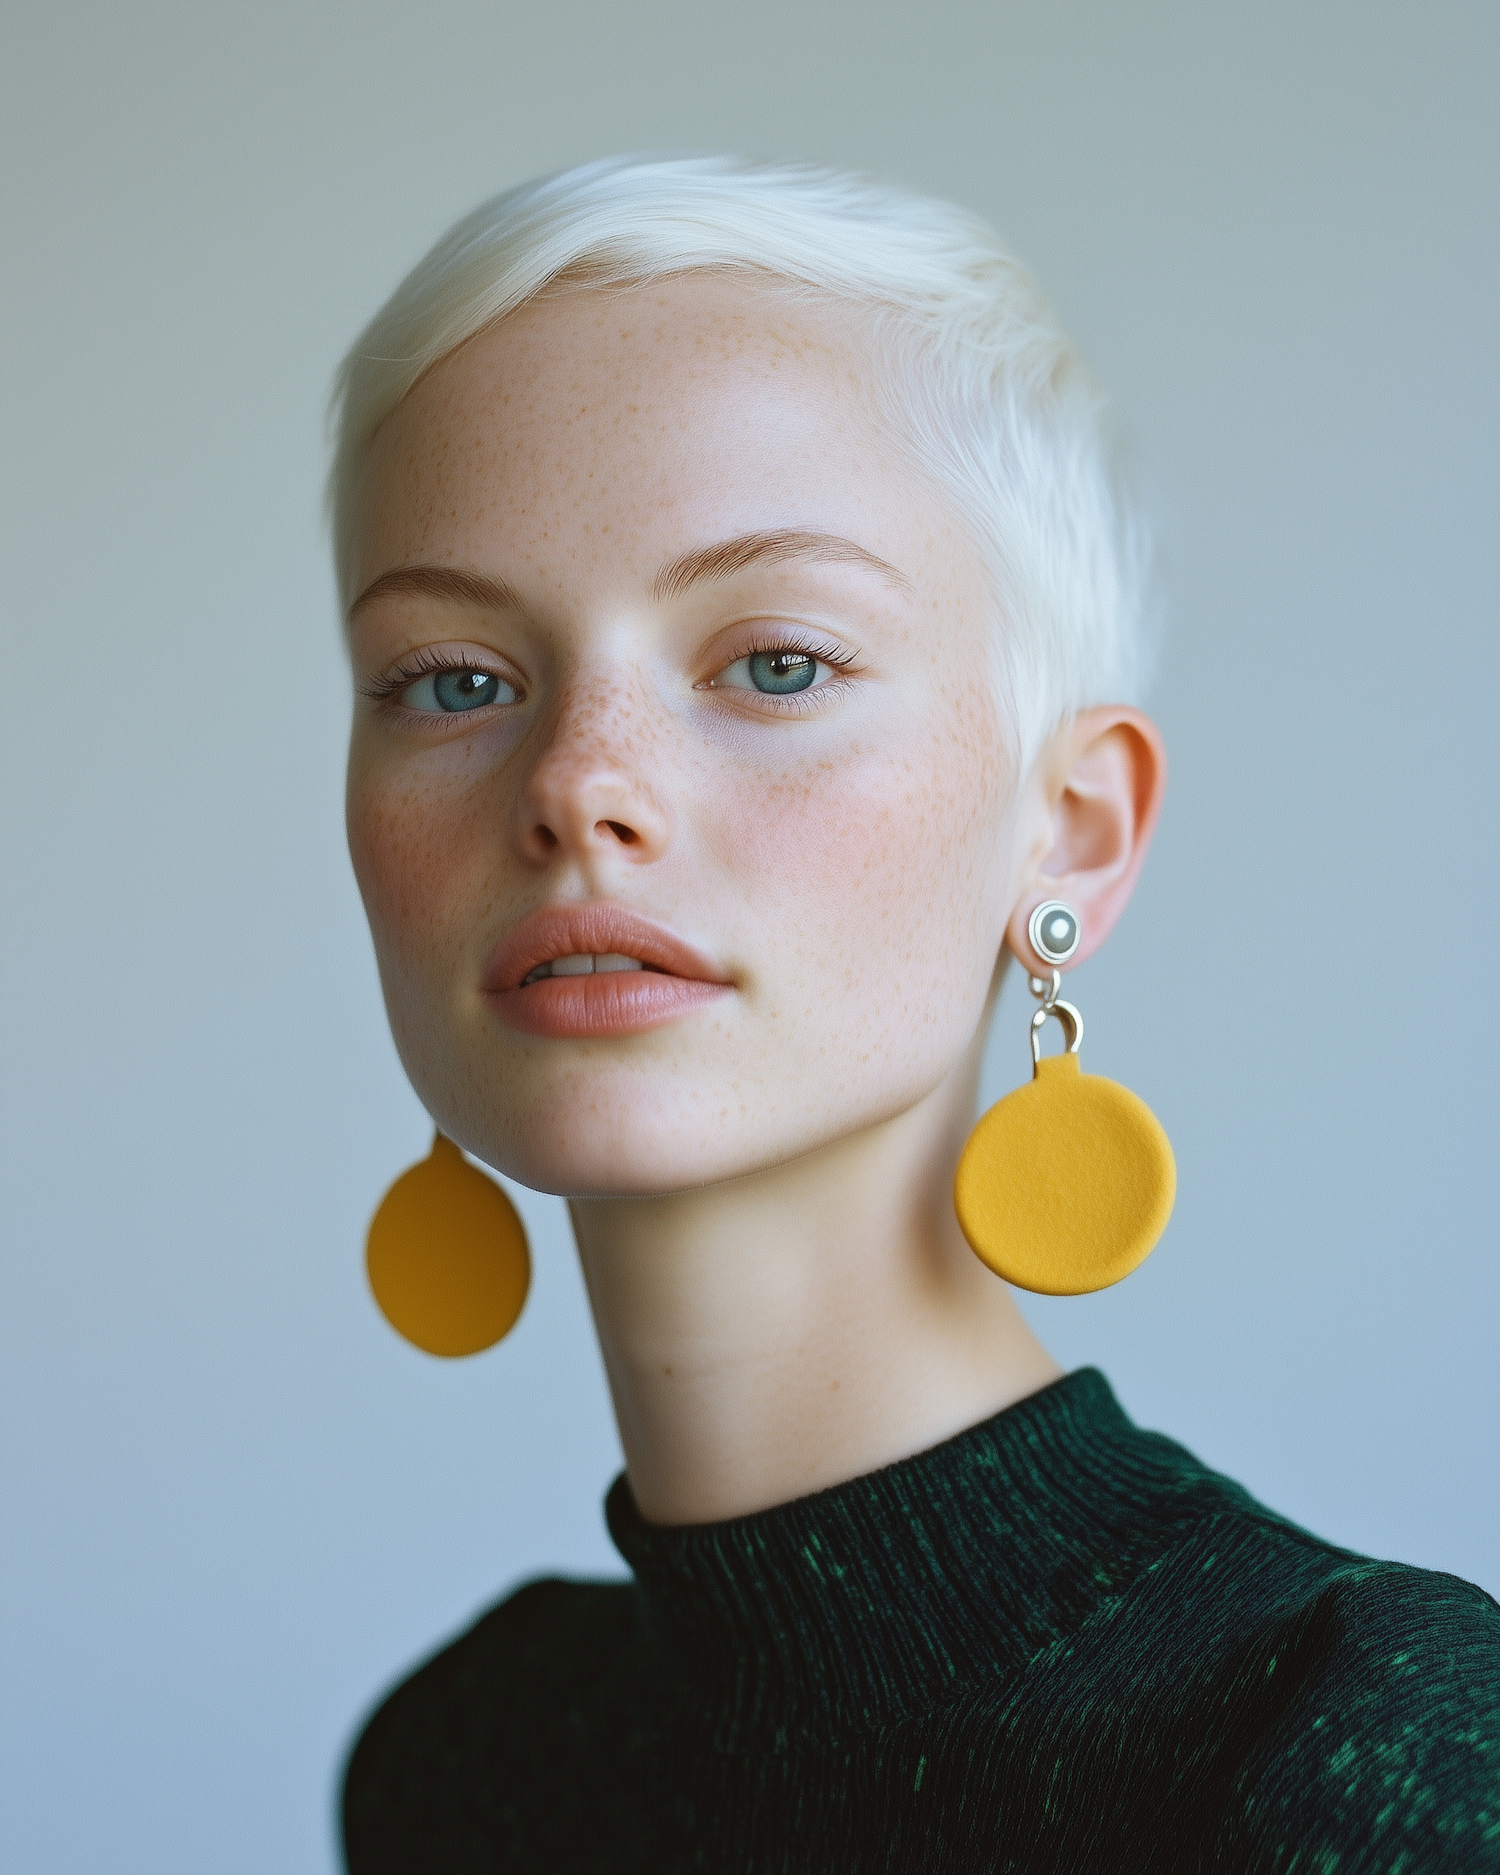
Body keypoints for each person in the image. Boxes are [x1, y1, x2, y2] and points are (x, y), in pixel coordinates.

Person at [331, 156, 1498, 1872]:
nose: (580, 786)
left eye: (776, 662)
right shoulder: (468, 1760)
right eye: (456, 680)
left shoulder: (1360, 1751)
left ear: (1069, 829)